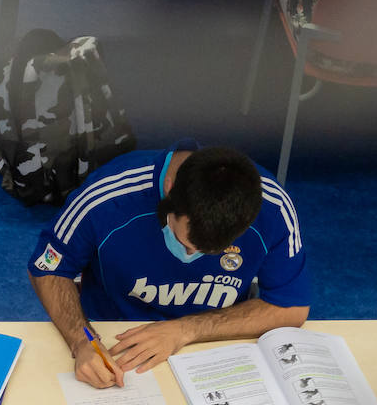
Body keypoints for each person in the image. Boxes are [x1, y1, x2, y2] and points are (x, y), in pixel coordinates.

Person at [27, 141, 309, 388]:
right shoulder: (107, 196)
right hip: (112, 342)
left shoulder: (273, 207)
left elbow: (291, 307)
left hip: (210, 345)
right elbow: (49, 268)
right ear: (169, 189)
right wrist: (81, 341)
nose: (190, 255)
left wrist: (185, 330)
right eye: (184, 242)